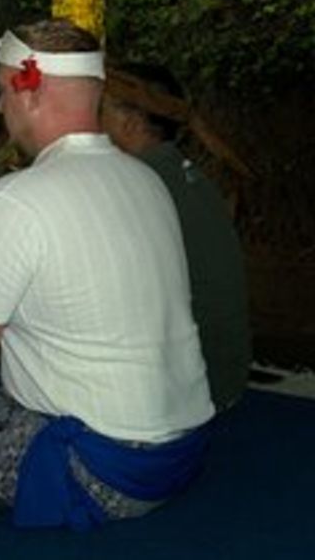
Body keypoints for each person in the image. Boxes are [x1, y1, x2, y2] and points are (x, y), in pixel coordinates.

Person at [0, 19, 215, 530]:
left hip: (102, 472)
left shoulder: (12, 201)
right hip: (184, 451)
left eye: (3, 91)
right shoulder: (148, 180)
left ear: (31, 93)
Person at [101, 62, 251, 411]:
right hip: (224, 379)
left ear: (129, 123)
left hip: (189, 397)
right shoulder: (189, 178)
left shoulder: (137, 188)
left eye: (99, 111)